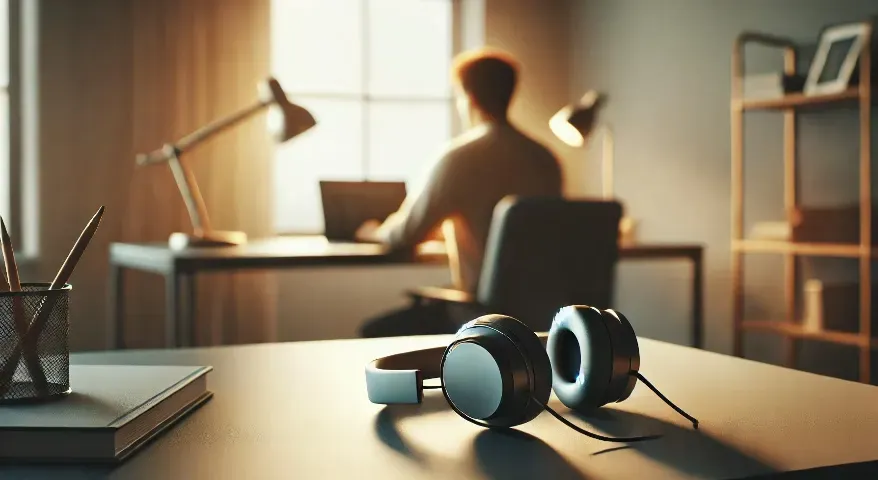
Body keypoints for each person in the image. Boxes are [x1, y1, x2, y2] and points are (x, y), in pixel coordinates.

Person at [355, 48, 564, 337]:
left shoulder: (459, 159)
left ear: (469, 97)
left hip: (480, 314)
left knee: (372, 332)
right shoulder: (545, 159)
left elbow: (406, 234)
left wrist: (373, 232)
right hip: (542, 316)